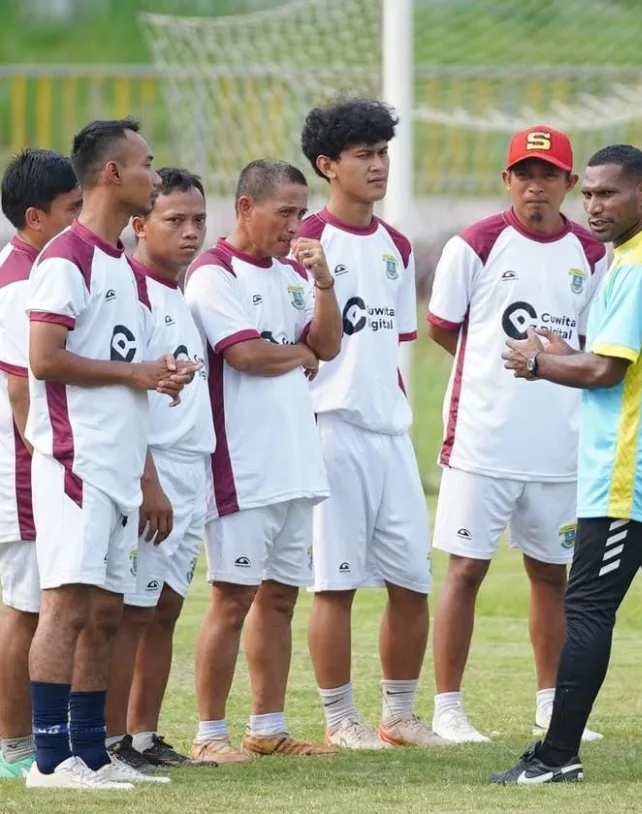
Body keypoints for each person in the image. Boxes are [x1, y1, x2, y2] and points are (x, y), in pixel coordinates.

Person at [491, 144, 642, 784]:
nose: (593, 206)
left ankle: (556, 755)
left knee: (586, 609)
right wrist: (566, 353)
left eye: (608, 194)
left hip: (630, 474)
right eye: (587, 194)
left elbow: (605, 371)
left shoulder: (639, 265)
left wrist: (537, 362)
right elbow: (617, 361)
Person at [23, 119, 197, 791]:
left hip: (121, 467)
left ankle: (91, 754)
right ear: (112, 174)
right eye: (148, 164)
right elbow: (44, 359)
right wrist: (134, 375)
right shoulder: (66, 257)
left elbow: (134, 362)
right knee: (66, 607)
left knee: (103, 612)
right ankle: (47, 761)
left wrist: (161, 374)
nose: (157, 175)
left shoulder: (123, 266)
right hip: (77, 463)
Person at [427, 125, 608, 744]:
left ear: (570, 183)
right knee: (464, 572)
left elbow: (593, 347)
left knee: (551, 576)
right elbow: (446, 328)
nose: (537, 187)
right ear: (508, 180)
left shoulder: (591, 252)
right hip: (483, 444)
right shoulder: (474, 244)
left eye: (550, 175)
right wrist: (496, 375)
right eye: (525, 175)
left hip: (561, 448)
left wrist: (552, 370)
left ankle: (552, 706)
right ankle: (448, 707)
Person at [299, 97, 445, 749]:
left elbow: (391, 351)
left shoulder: (397, 245)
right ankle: (339, 719)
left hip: (389, 436)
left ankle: (400, 716)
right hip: (328, 429)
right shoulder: (303, 242)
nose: (379, 166)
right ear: (328, 166)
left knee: (413, 580)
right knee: (335, 584)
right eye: (364, 156)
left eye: (384, 153)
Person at [185, 158, 341, 763]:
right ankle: (208, 736)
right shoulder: (213, 273)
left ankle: (267, 728)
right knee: (231, 599)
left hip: (295, 464)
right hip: (240, 468)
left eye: (303, 212)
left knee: (280, 598)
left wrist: (324, 283)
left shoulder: (293, 273)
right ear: (246, 208)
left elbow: (327, 346)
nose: (297, 225)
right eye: (286, 212)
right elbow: (245, 356)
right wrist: (295, 350)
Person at [99, 168, 218, 771]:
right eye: (175, 220)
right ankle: (112, 739)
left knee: (165, 608)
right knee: (131, 610)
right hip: (155, 473)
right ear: (140, 225)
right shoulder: (131, 291)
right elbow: (128, 401)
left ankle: (143, 735)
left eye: (198, 219)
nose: (191, 231)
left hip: (192, 470)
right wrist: (149, 483)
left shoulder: (181, 291)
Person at [0, 149, 81, 779]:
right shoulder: (22, 282)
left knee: (36, 603)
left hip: (40, 457)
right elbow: (22, 388)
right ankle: (14, 743)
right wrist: (48, 463)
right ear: (35, 216)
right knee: (25, 605)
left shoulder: (41, 268)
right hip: (25, 463)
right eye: (71, 210)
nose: (82, 220)